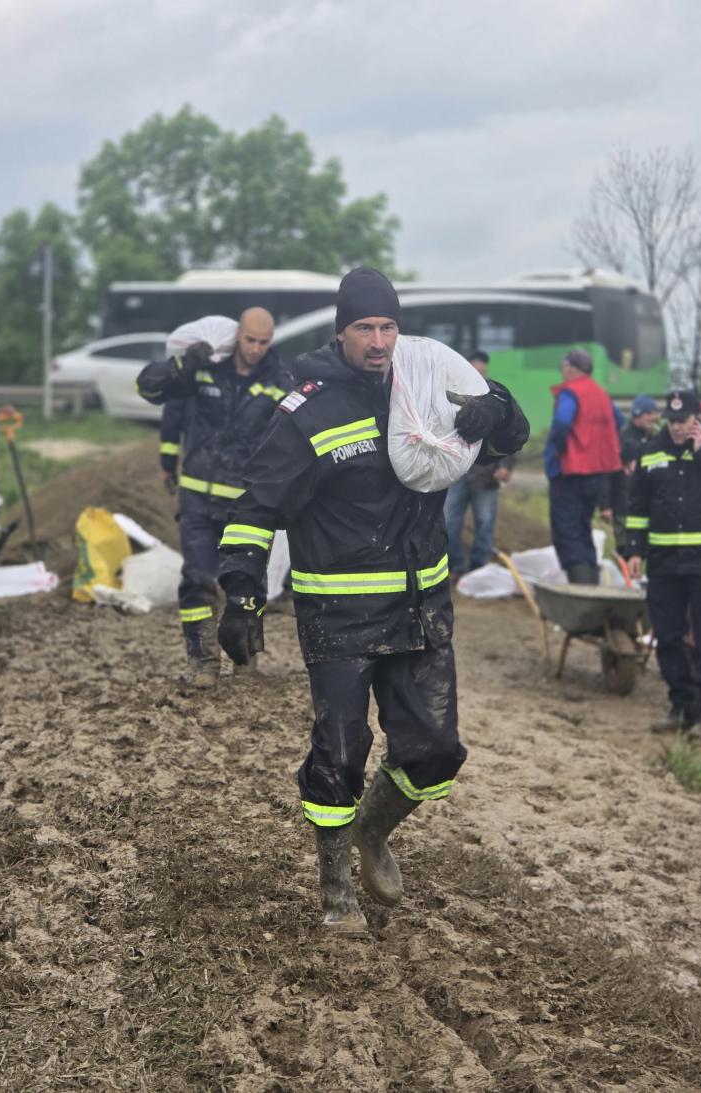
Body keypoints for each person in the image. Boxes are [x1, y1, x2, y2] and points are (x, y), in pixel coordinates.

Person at [216, 268, 529, 934]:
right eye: (366, 327)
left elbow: (509, 436)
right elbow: (257, 504)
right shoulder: (307, 410)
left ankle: (372, 830)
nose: (380, 340)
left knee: (435, 749)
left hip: (421, 609)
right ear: (341, 331)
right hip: (339, 616)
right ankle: (336, 895)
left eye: (389, 325)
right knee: (340, 752)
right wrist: (241, 593)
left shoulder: (423, 385)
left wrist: (496, 406)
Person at [137, 308, 290, 686]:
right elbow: (149, 389)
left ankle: (244, 659)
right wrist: (180, 364)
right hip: (198, 497)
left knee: (245, 584)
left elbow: (291, 439)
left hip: (247, 503)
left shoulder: (280, 380)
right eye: (249, 340)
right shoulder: (203, 368)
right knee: (197, 578)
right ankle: (202, 661)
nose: (255, 349)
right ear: (237, 335)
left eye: (263, 342)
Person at [626, 390, 701, 744]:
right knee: (669, 639)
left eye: (683, 421)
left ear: (697, 419)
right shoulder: (651, 449)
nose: (676, 428)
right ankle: (681, 707)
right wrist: (633, 549)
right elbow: (638, 504)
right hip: (664, 563)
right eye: (671, 421)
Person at [544, 347, 623, 583]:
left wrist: (559, 448)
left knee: (567, 531)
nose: (563, 372)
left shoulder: (571, 392)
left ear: (570, 368)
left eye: (564, 368)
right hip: (596, 474)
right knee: (582, 527)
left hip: (570, 471)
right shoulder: (601, 393)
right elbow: (619, 422)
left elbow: (562, 422)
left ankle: (582, 589)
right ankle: (592, 587)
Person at [444, 351, 515, 579]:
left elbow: (509, 436)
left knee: (484, 522)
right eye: (475, 370)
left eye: (482, 371)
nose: (479, 375)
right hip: (456, 472)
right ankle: (455, 565)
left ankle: (478, 569)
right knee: (448, 519)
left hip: (486, 474)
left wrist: (505, 466)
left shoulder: (496, 399)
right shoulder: (450, 396)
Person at [606, 394, 660, 554]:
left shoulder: (650, 436)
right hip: (624, 503)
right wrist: (606, 504)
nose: (654, 418)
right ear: (638, 414)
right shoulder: (626, 439)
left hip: (645, 503)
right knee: (626, 549)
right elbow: (613, 473)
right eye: (649, 413)